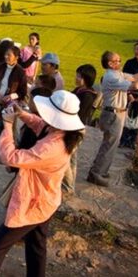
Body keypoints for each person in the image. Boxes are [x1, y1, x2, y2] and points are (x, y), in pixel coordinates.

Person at [0, 90, 85, 277]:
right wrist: (21, 114)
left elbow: (10, 157)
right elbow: (40, 125)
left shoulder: (51, 148)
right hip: (46, 201)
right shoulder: (63, 134)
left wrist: (7, 126)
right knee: (36, 247)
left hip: (34, 203)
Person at [87, 51, 138, 187]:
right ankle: (96, 173)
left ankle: (101, 170)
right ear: (110, 63)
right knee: (109, 145)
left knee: (111, 145)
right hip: (113, 114)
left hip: (117, 113)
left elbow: (135, 77)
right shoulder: (111, 77)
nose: (120, 62)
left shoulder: (117, 74)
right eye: (117, 60)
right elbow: (135, 86)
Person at [0, 45, 28, 158]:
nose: (6, 56)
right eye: (5, 54)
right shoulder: (1, 67)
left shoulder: (20, 72)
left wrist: (10, 96)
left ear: (16, 57)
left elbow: (22, 92)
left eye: (9, 55)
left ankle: (6, 154)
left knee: (5, 130)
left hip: (10, 105)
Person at [62, 64, 98, 193]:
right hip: (71, 128)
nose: (76, 78)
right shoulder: (79, 90)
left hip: (76, 129)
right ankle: (67, 185)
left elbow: (79, 114)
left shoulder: (87, 95)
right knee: (70, 158)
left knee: (68, 159)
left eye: (78, 76)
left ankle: (68, 187)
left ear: (85, 78)